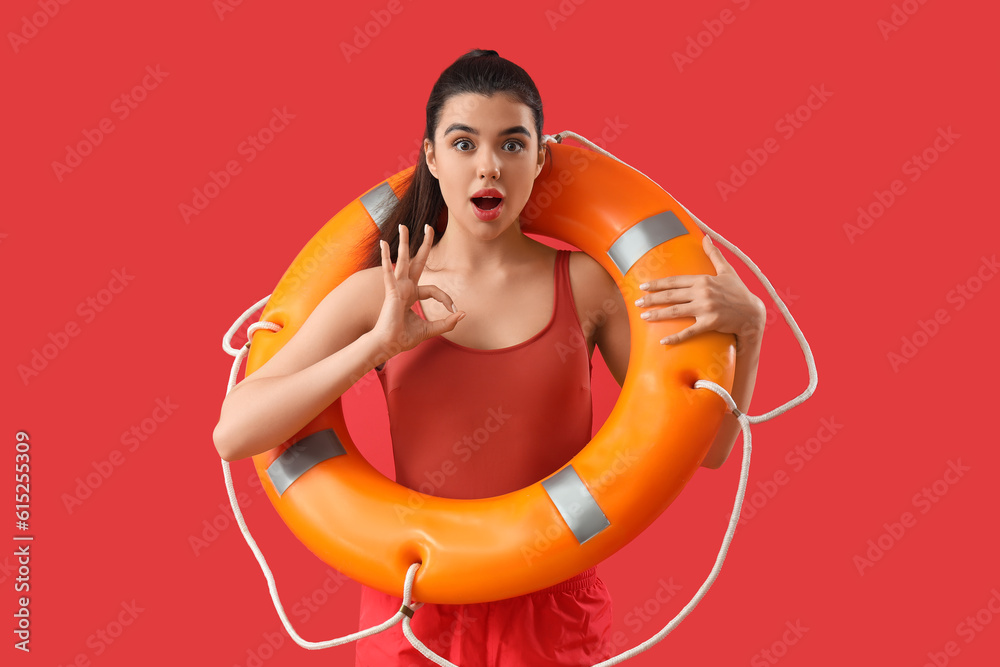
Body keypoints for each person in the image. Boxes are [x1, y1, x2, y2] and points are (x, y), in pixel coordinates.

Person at [213, 48, 766, 666]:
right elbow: (235, 434)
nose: (488, 168)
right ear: (431, 157)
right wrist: (378, 344)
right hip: (419, 602)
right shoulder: (382, 290)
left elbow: (708, 447)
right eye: (463, 143)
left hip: (549, 603)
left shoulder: (588, 287)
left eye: (510, 144)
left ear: (538, 159)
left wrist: (752, 330)